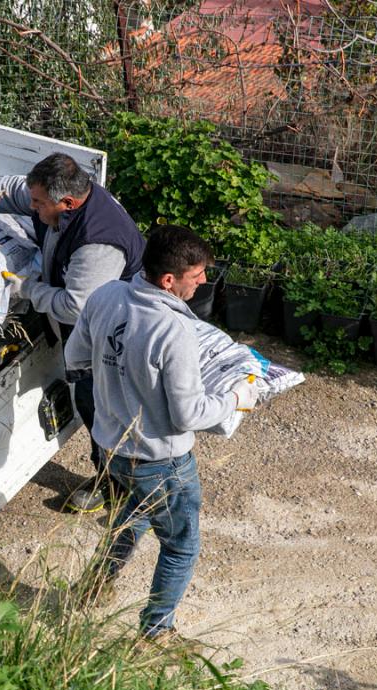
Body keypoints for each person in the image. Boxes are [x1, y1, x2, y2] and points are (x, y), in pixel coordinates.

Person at [64, 224, 257, 643]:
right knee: (180, 545)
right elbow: (188, 414)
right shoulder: (174, 330)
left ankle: (92, 588)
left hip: (111, 445)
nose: (203, 282)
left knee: (131, 516)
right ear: (169, 280)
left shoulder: (106, 296)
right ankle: (155, 634)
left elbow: (75, 357)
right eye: (197, 276)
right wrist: (236, 398)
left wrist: (120, 384)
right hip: (160, 460)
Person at [0, 153, 145, 513]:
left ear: (67, 203)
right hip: (87, 327)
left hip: (110, 339)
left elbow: (76, 306)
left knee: (101, 408)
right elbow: (10, 192)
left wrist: (27, 289)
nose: (32, 208)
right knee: (92, 405)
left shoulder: (97, 242)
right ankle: (115, 477)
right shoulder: (62, 203)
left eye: (39, 204)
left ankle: (121, 488)